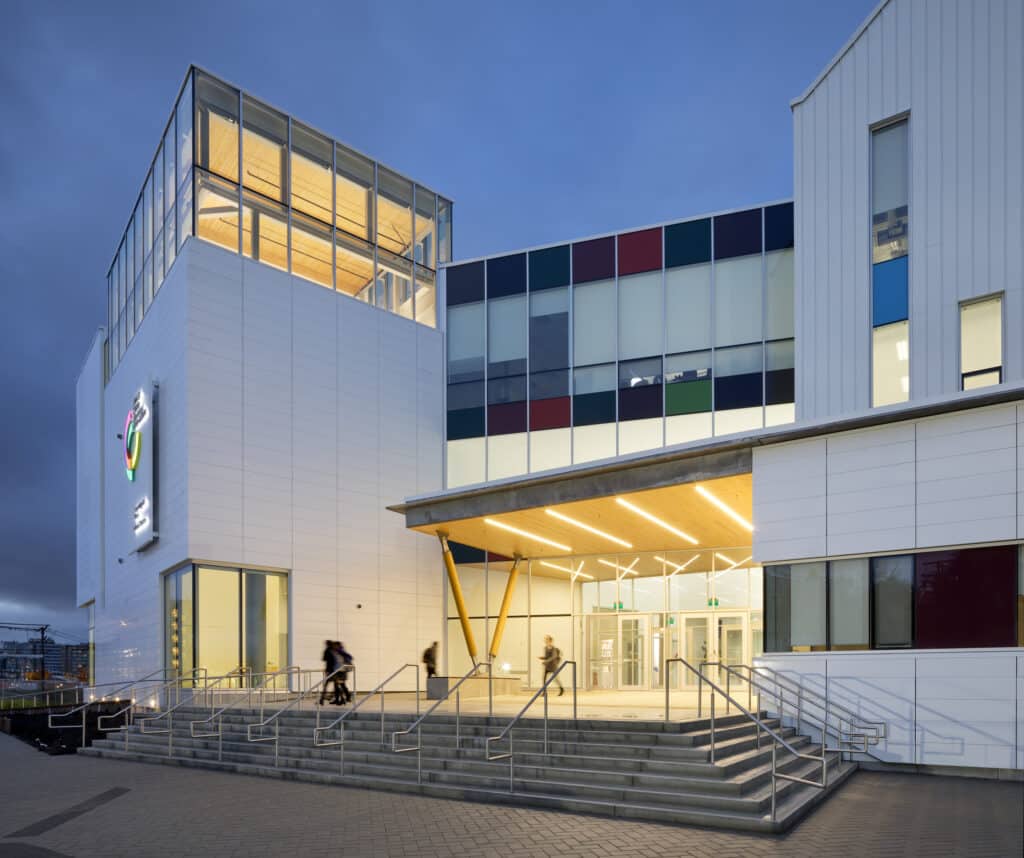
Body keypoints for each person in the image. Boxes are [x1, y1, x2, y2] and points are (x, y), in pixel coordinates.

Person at [319, 640, 341, 705]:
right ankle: (332, 698)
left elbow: (324, 659)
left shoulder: (328, 651)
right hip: (333, 671)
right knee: (335, 685)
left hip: (330, 670)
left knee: (330, 685)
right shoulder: (333, 651)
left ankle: (323, 699)